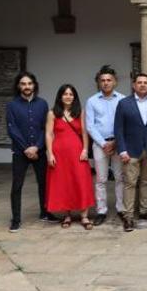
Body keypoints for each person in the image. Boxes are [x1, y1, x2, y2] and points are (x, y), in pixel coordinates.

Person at [6, 71, 58, 232]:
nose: (26, 86)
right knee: (17, 185)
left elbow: (46, 128)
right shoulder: (12, 105)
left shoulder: (42, 104)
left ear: (34, 85)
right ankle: (16, 219)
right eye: (23, 84)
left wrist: (37, 146)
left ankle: (45, 212)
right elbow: (12, 129)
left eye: (29, 83)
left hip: (39, 151)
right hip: (20, 152)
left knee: (44, 183)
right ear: (18, 86)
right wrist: (26, 148)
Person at [115, 72, 147, 232]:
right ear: (134, 85)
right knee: (130, 184)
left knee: (146, 182)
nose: (142, 85)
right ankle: (128, 217)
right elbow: (118, 129)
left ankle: (145, 212)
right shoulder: (124, 104)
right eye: (139, 82)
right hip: (131, 151)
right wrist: (122, 150)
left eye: (145, 82)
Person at [45, 84, 95, 229]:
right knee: (64, 183)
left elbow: (85, 133)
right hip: (59, 154)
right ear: (60, 97)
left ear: (75, 97)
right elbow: (49, 134)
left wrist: (85, 149)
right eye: (65, 94)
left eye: (71, 94)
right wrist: (50, 153)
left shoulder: (80, 112)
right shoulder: (52, 113)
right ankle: (67, 215)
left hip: (78, 153)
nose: (68, 96)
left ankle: (84, 216)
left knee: (81, 181)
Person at [85, 65, 125, 226]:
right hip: (99, 144)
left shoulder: (122, 99)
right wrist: (103, 143)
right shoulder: (92, 101)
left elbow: (124, 123)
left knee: (120, 178)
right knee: (100, 179)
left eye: (109, 80)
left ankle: (121, 208)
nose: (106, 83)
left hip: (118, 143)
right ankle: (101, 211)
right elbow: (90, 126)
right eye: (103, 80)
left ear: (115, 82)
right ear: (98, 83)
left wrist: (115, 141)